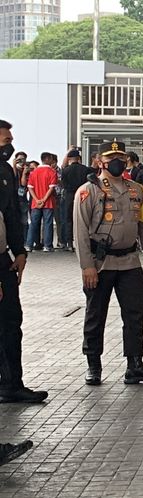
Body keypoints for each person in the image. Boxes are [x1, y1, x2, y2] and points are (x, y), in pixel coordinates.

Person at [73, 140, 143, 387]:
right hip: (100, 264)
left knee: (135, 314)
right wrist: (87, 266)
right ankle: (93, 364)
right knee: (95, 315)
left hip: (130, 263)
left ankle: (135, 364)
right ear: (99, 161)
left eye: (121, 157)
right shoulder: (88, 191)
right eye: (111, 157)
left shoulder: (135, 189)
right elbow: (80, 232)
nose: (117, 161)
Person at [0, 120, 47, 404]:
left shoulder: (5, 171)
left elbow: (12, 215)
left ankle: (12, 383)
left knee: (11, 323)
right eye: (6, 139)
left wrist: (20, 252)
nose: (10, 144)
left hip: (4, 259)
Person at [25, 152, 58, 252]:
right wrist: (44, 199)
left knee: (33, 224)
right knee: (47, 224)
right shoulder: (52, 172)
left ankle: (29, 245)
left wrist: (36, 199)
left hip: (35, 203)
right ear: (49, 159)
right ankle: (47, 246)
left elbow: (30, 188)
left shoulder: (34, 172)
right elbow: (51, 188)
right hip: (48, 203)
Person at [60, 150, 90, 252]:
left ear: (69, 159)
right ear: (79, 158)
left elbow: (63, 184)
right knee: (83, 218)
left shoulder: (65, 170)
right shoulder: (85, 169)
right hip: (83, 195)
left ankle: (69, 243)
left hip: (69, 195)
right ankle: (83, 242)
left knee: (69, 219)